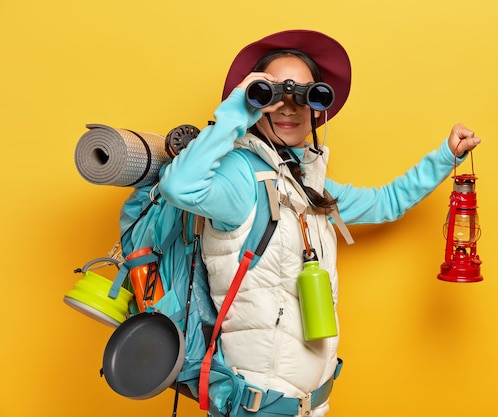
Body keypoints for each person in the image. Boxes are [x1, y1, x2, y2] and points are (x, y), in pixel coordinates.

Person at [159, 29, 481, 417]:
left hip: (312, 405)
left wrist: (446, 156)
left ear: (317, 106)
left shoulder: (307, 186)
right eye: (274, 94)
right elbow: (180, 187)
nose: (288, 107)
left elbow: (387, 203)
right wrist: (236, 112)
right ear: (254, 99)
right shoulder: (240, 179)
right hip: (258, 404)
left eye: (303, 95)